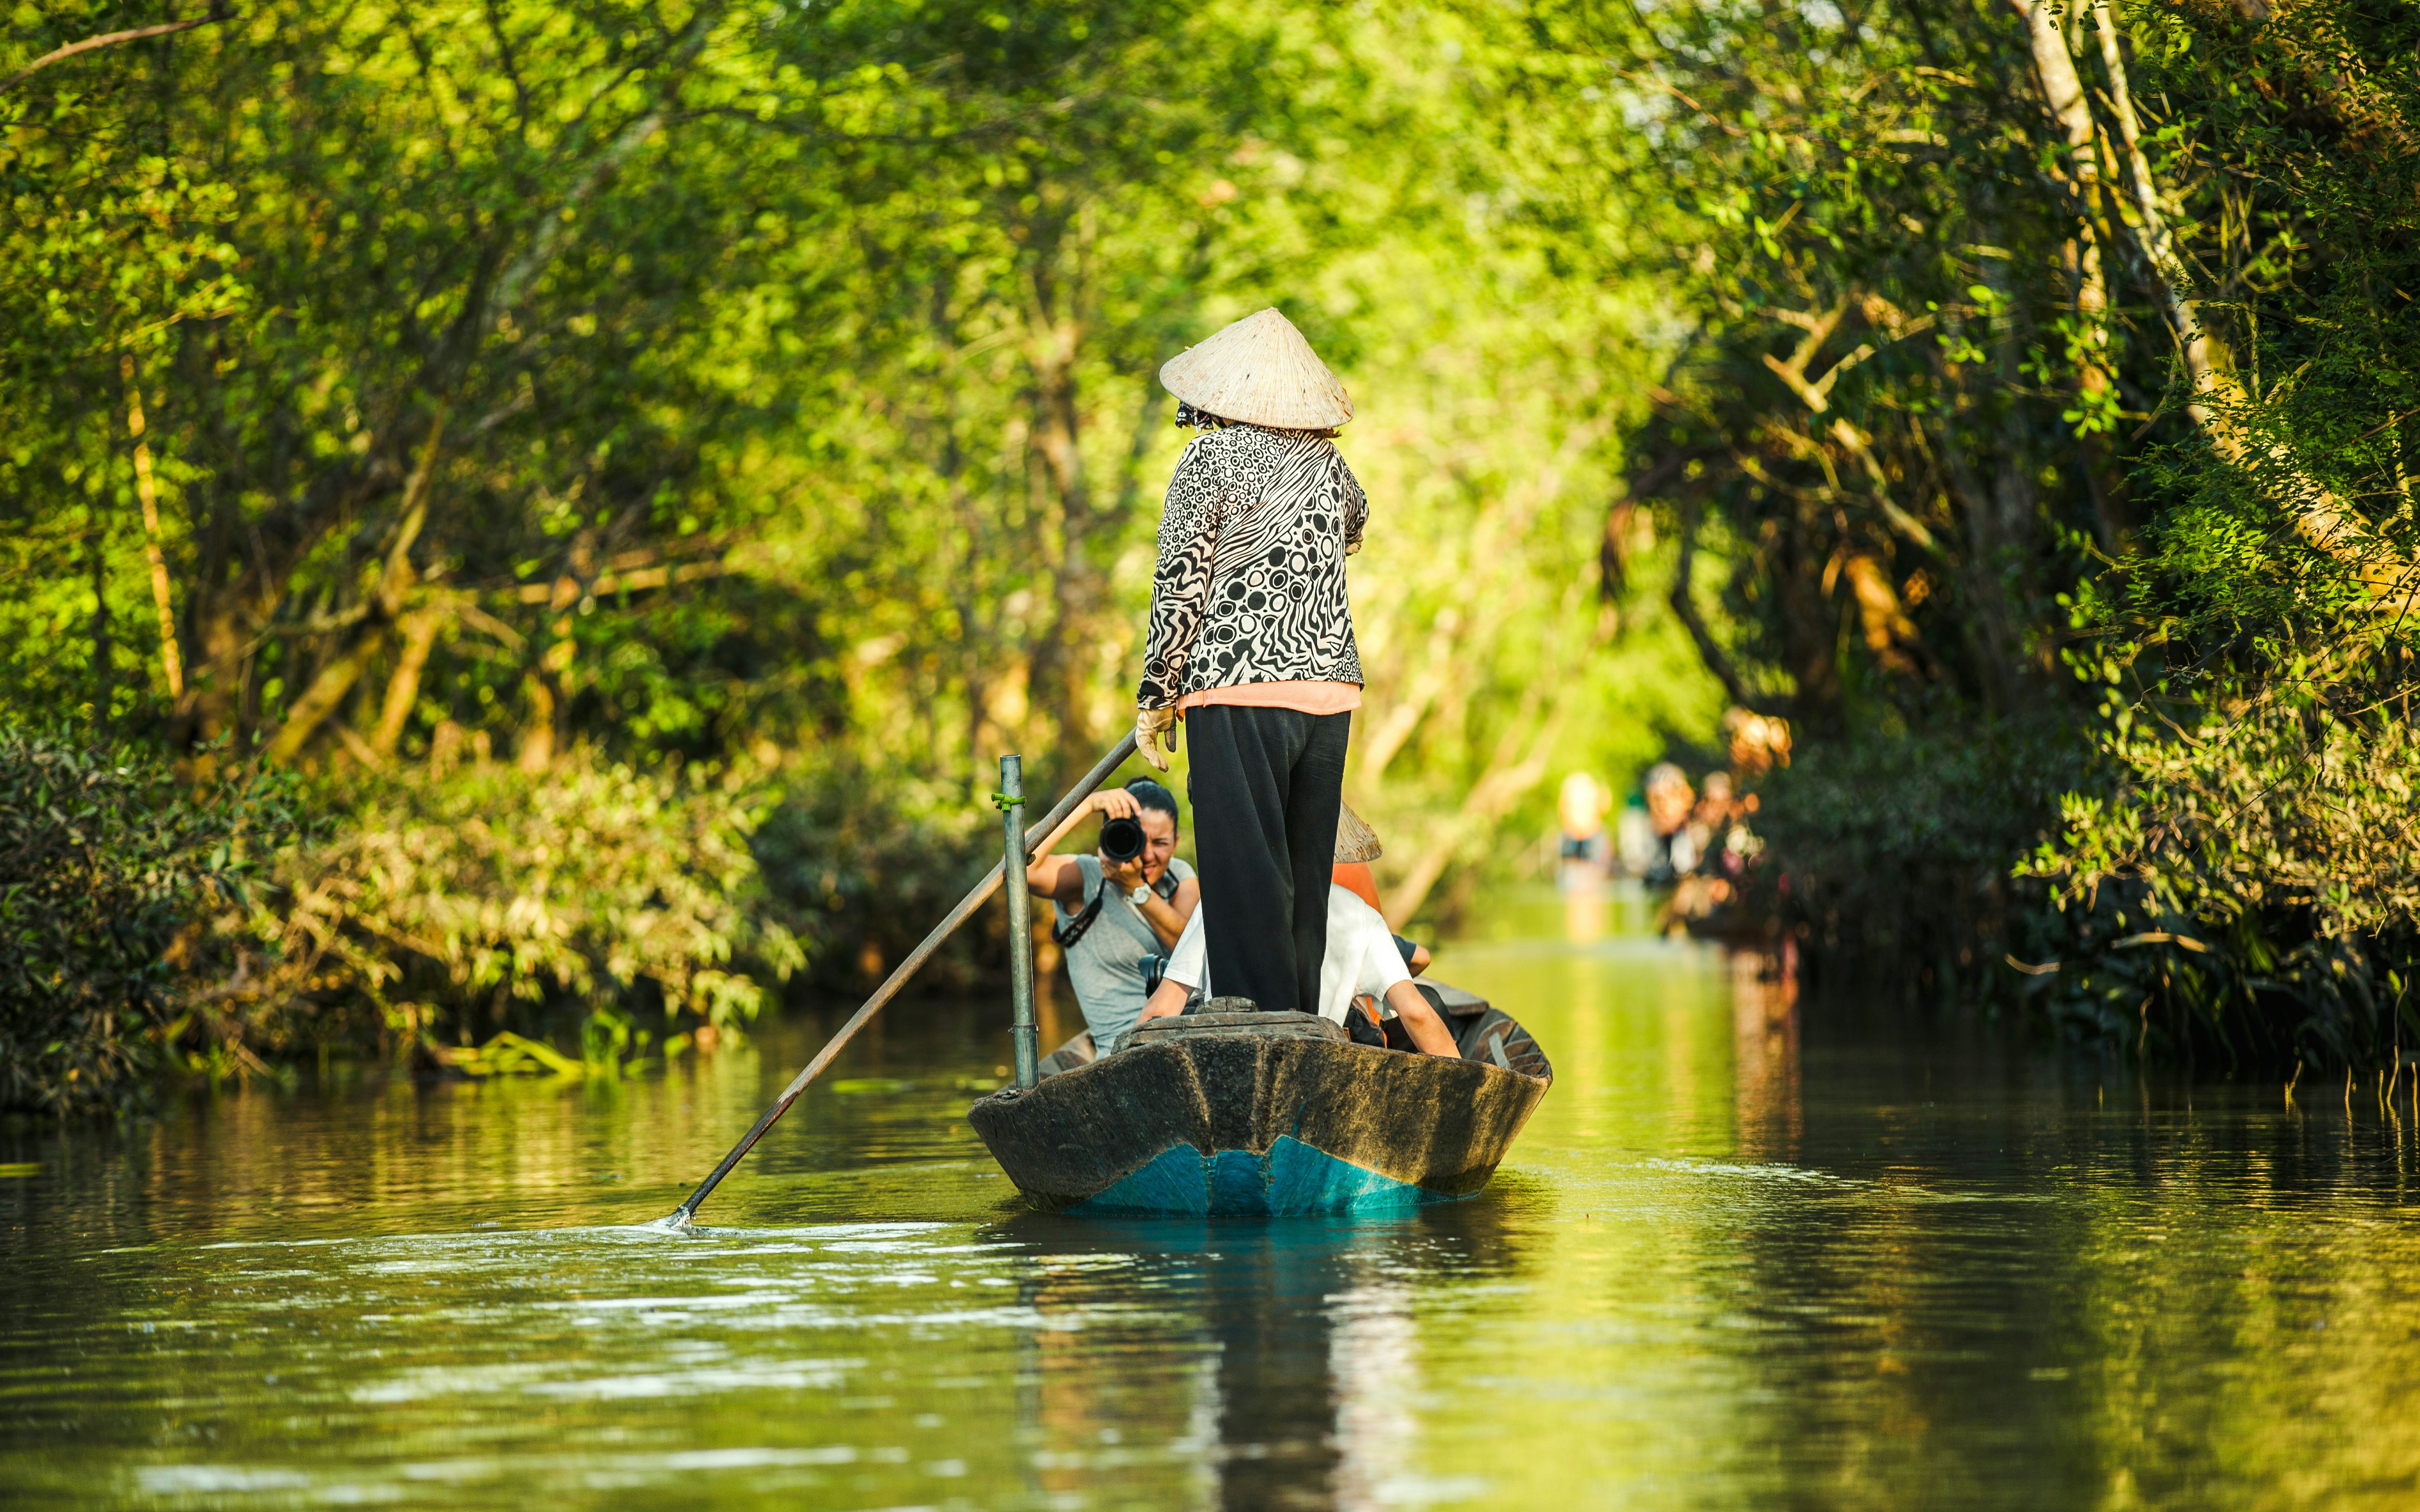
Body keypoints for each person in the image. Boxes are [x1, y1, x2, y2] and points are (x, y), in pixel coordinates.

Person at [1132, 308, 1367, 1022]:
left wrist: (1156, 693)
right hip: (1328, 695)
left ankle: (1257, 1030)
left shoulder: (1206, 460)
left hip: (1235, 691)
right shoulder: (1331, 466)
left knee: (1245, 878)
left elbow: (1181, 578)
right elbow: (1354, 527)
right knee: (1301, 880)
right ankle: (1298, 1028)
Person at [1134, 803, 1458, 1057]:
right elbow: (1416, 1014)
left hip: (1229, 1066)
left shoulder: (1221, 899)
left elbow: (1162, 1010)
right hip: (1317, 1066)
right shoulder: (1357, 912)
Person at [1024, 778, 1199, 1053]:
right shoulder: (1089, 878)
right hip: (1120, 1054)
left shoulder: (1179, 876)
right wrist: (1087, 804)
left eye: (1161, 842)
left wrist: (1136, 889)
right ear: (1117, 835)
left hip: (1188, 1035)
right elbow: (1020, 867)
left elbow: (1189, 949)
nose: (1148, 855)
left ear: (1176, 843)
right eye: (1139, 840)